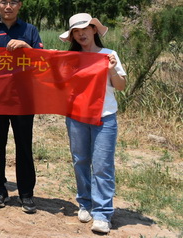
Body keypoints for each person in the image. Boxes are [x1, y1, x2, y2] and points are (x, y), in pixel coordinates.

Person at [0, 0, 43, 214]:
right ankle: (0, 189)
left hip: (23, 100)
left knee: (24, 146)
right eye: (4, 2)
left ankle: (26, 193)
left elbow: (42, 61)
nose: (8, 6)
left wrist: (27, 47)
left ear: (20, 5)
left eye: (13, 2)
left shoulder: (30, 30)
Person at [59, 13, 126, 235]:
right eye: (76, 32)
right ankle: (85, 203)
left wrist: (111, 69)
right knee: (80, 161)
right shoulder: (70, 58)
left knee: (102, 166)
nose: (81, 34)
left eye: (84, 29)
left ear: (94, 29)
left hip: (104, 117)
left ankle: (103, 213)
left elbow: (121, 86)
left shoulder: (109, 55)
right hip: (76, 116)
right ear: (72, 36)